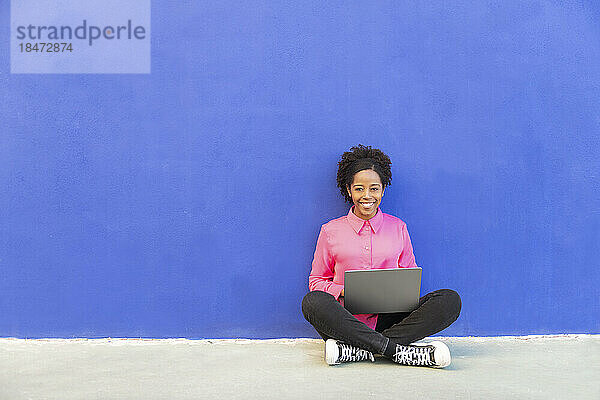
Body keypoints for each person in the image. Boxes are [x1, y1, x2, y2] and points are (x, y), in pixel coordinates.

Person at [301, 145, 461, 368]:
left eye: (374, 189)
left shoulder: (398, 228)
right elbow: (316, 282)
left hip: (390, 319)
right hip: (346, 321)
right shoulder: (330, 231)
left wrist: (394, 291)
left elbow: (409, 277)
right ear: (349, 190)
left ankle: (358, 350)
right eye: (359, 189)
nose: (367, 196)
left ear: (383, 190)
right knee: (312, 303)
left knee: (449, 300)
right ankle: (398, 351)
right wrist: (347, 291)